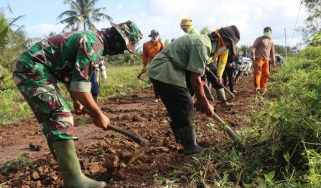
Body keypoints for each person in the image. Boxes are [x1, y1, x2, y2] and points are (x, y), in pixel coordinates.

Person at [12, 20, 142, 188]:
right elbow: (81, 89)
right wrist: (98, 114)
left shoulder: (92, 40)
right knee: (60, 117)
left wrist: (76, 102)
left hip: (35, 69)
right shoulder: (93, 44)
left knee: (55, 118)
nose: (120, 51)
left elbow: (71, 76)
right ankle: (74, 180)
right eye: (123, 46)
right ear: (116, 38)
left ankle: (68, 169)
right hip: (33, 70)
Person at [147, 25, 240, 154]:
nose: (226, 49)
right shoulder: (204, 46)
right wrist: (204, 102)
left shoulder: (206, 44)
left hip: (173, 68)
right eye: (228, 46)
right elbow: (195, 78)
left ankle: (184, 135)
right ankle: (190, 145)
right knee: (185, 103)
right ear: (221, 39)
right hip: (164, 69)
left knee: (184, 102)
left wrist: (201, 100)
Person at [251, 26, 276, 93]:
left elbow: (272, 52)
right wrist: (253, 55)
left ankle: (263, 87)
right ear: (263, 32)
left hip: (267, 60)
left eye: (268, 31)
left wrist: (273, 61)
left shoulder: (271, 41)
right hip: (259, 59)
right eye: (265, 31)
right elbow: (253, 47)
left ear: (271, 32)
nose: (266, 32)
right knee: (258, 73)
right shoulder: (259, 39)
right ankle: (257, 87)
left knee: (266, 73)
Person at [142, 29, 165, 101]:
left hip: (160, 63)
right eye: (154, 35)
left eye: (156, 35)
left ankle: (163, 96)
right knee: (155, 81)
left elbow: (165, 52)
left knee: (162, 80)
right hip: (152, 64)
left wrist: (162, 43)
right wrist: (144, 66)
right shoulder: (146, 44)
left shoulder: (160, 43)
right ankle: (157, 97)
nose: (155, 37)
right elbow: (145, 56)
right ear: (151, 35)